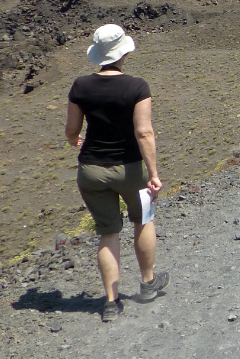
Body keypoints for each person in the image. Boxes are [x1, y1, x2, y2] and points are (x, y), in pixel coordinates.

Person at [65, 24, 168, 322]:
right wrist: (153, 173)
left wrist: (74, 140)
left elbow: (72, 130)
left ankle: (111, 302)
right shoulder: (137, 87)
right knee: (143, 219)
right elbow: (144, 132)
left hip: (91, 170)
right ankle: (147, 283)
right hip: (130, 169)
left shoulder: (80, 86)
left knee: (108, 232)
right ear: (123, 53)